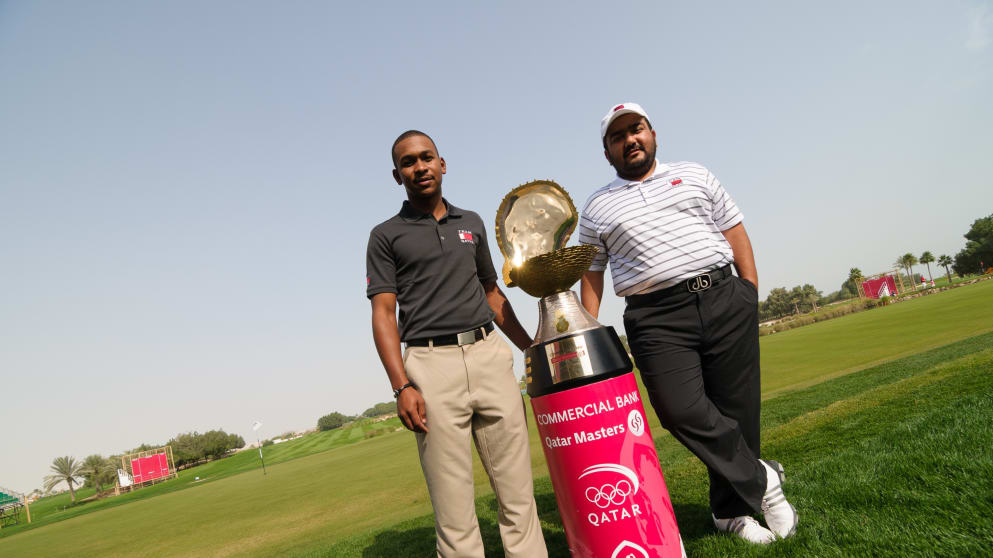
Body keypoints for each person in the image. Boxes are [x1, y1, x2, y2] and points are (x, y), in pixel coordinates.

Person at [577, 102, 799, 544]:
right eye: (618, 137)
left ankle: (730, 514)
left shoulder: (696, 173)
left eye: (636, 129)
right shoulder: (596, 207)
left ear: (652, 133)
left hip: (723, 296)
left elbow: (734, 229)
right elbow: (591, 272)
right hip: (656, 318)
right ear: (607, 152)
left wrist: (748, 290)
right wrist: (587, 329)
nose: (630, 140)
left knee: (737, 411)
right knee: (679, 410)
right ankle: (762, 480)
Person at [366, 130, 547, 558]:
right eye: (409, 162)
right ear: (397, 176)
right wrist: (401, 385)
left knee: (518, 494)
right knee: (453, 510)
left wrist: (529, 348)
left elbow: (492, 293)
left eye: (427, 158)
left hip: (488, 355)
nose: (420, 167)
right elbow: (383, 314)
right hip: (431, 366)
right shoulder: (385, 235)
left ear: (442, 164)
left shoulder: (473, 223)